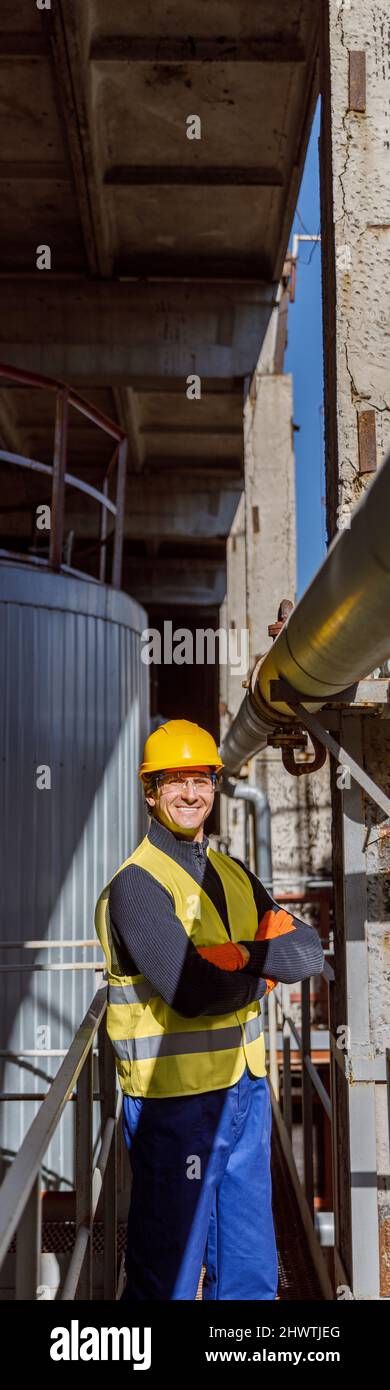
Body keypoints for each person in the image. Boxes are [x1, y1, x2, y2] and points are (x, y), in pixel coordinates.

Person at [95, 719, 324, 1301]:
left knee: (249, 1262)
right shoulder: (138, 885)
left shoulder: (233, 873)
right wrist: (264, 975)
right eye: (176, 782)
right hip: (174, 1103)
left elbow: (309, 949)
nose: (193, 794)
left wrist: (242, 955)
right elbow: (193, 993)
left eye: (201, 780)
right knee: (168, 1268)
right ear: (150, 793)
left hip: (244, 1093)